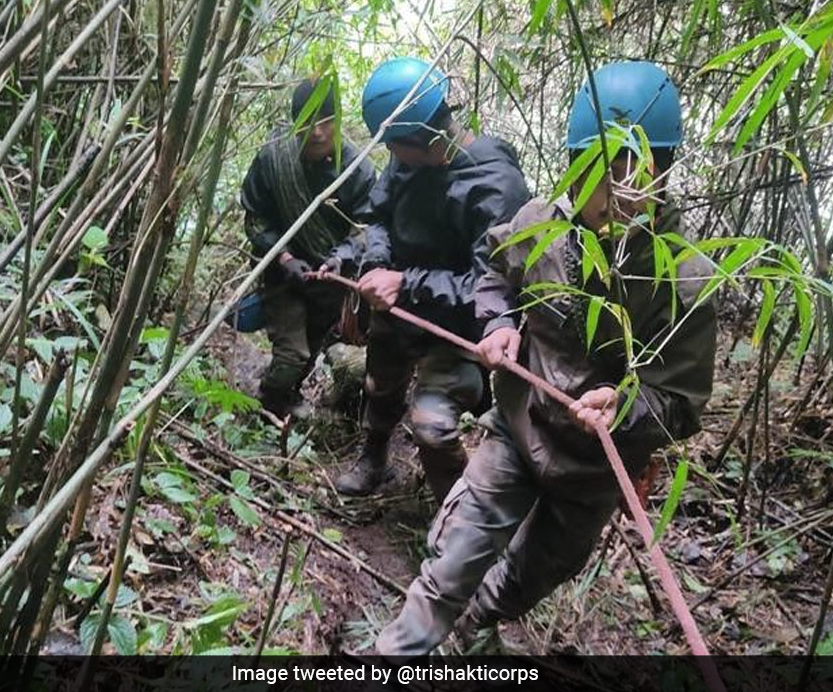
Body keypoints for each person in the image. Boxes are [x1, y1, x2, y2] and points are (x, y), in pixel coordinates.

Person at [375, 61, 718, 654]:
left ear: (662, 172)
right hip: (519, 427)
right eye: (598, 170)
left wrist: (624, 407)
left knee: (524, 580)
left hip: (593, 474)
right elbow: (494, 271)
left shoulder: (686, 282)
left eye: (634, 172)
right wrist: (499, 324)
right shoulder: (538, 225)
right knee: (452, 560)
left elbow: (681, 404)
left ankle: (470, 633)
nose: (615, 193)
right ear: (573, 166)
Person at [322, 57, 529, 500]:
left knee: (432, 427)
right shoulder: (407, 160)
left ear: (422, 138)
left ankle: (459, 510)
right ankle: (374, 458)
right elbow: (377, 216)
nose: (392, 157)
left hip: (455, 329)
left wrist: (406, 282)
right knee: (380, 386)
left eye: (394, 147)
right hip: (397, 314)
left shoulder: (496, 185)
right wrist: (376, 266)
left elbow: (490, 286)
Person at [240, 78, 377, 418]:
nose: (317, 132)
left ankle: (290, 394)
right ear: (295, 121)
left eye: (326, 120)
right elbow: (255, 218)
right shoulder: (274, 158)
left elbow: (366, 227)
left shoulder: (356, 168)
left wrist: (341, 258)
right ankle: (268, 406)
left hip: (330, 279)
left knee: (312, 347)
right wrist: (284, 256)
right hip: (281, 274)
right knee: (293, 354)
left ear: (339, 120)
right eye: (308, 121)